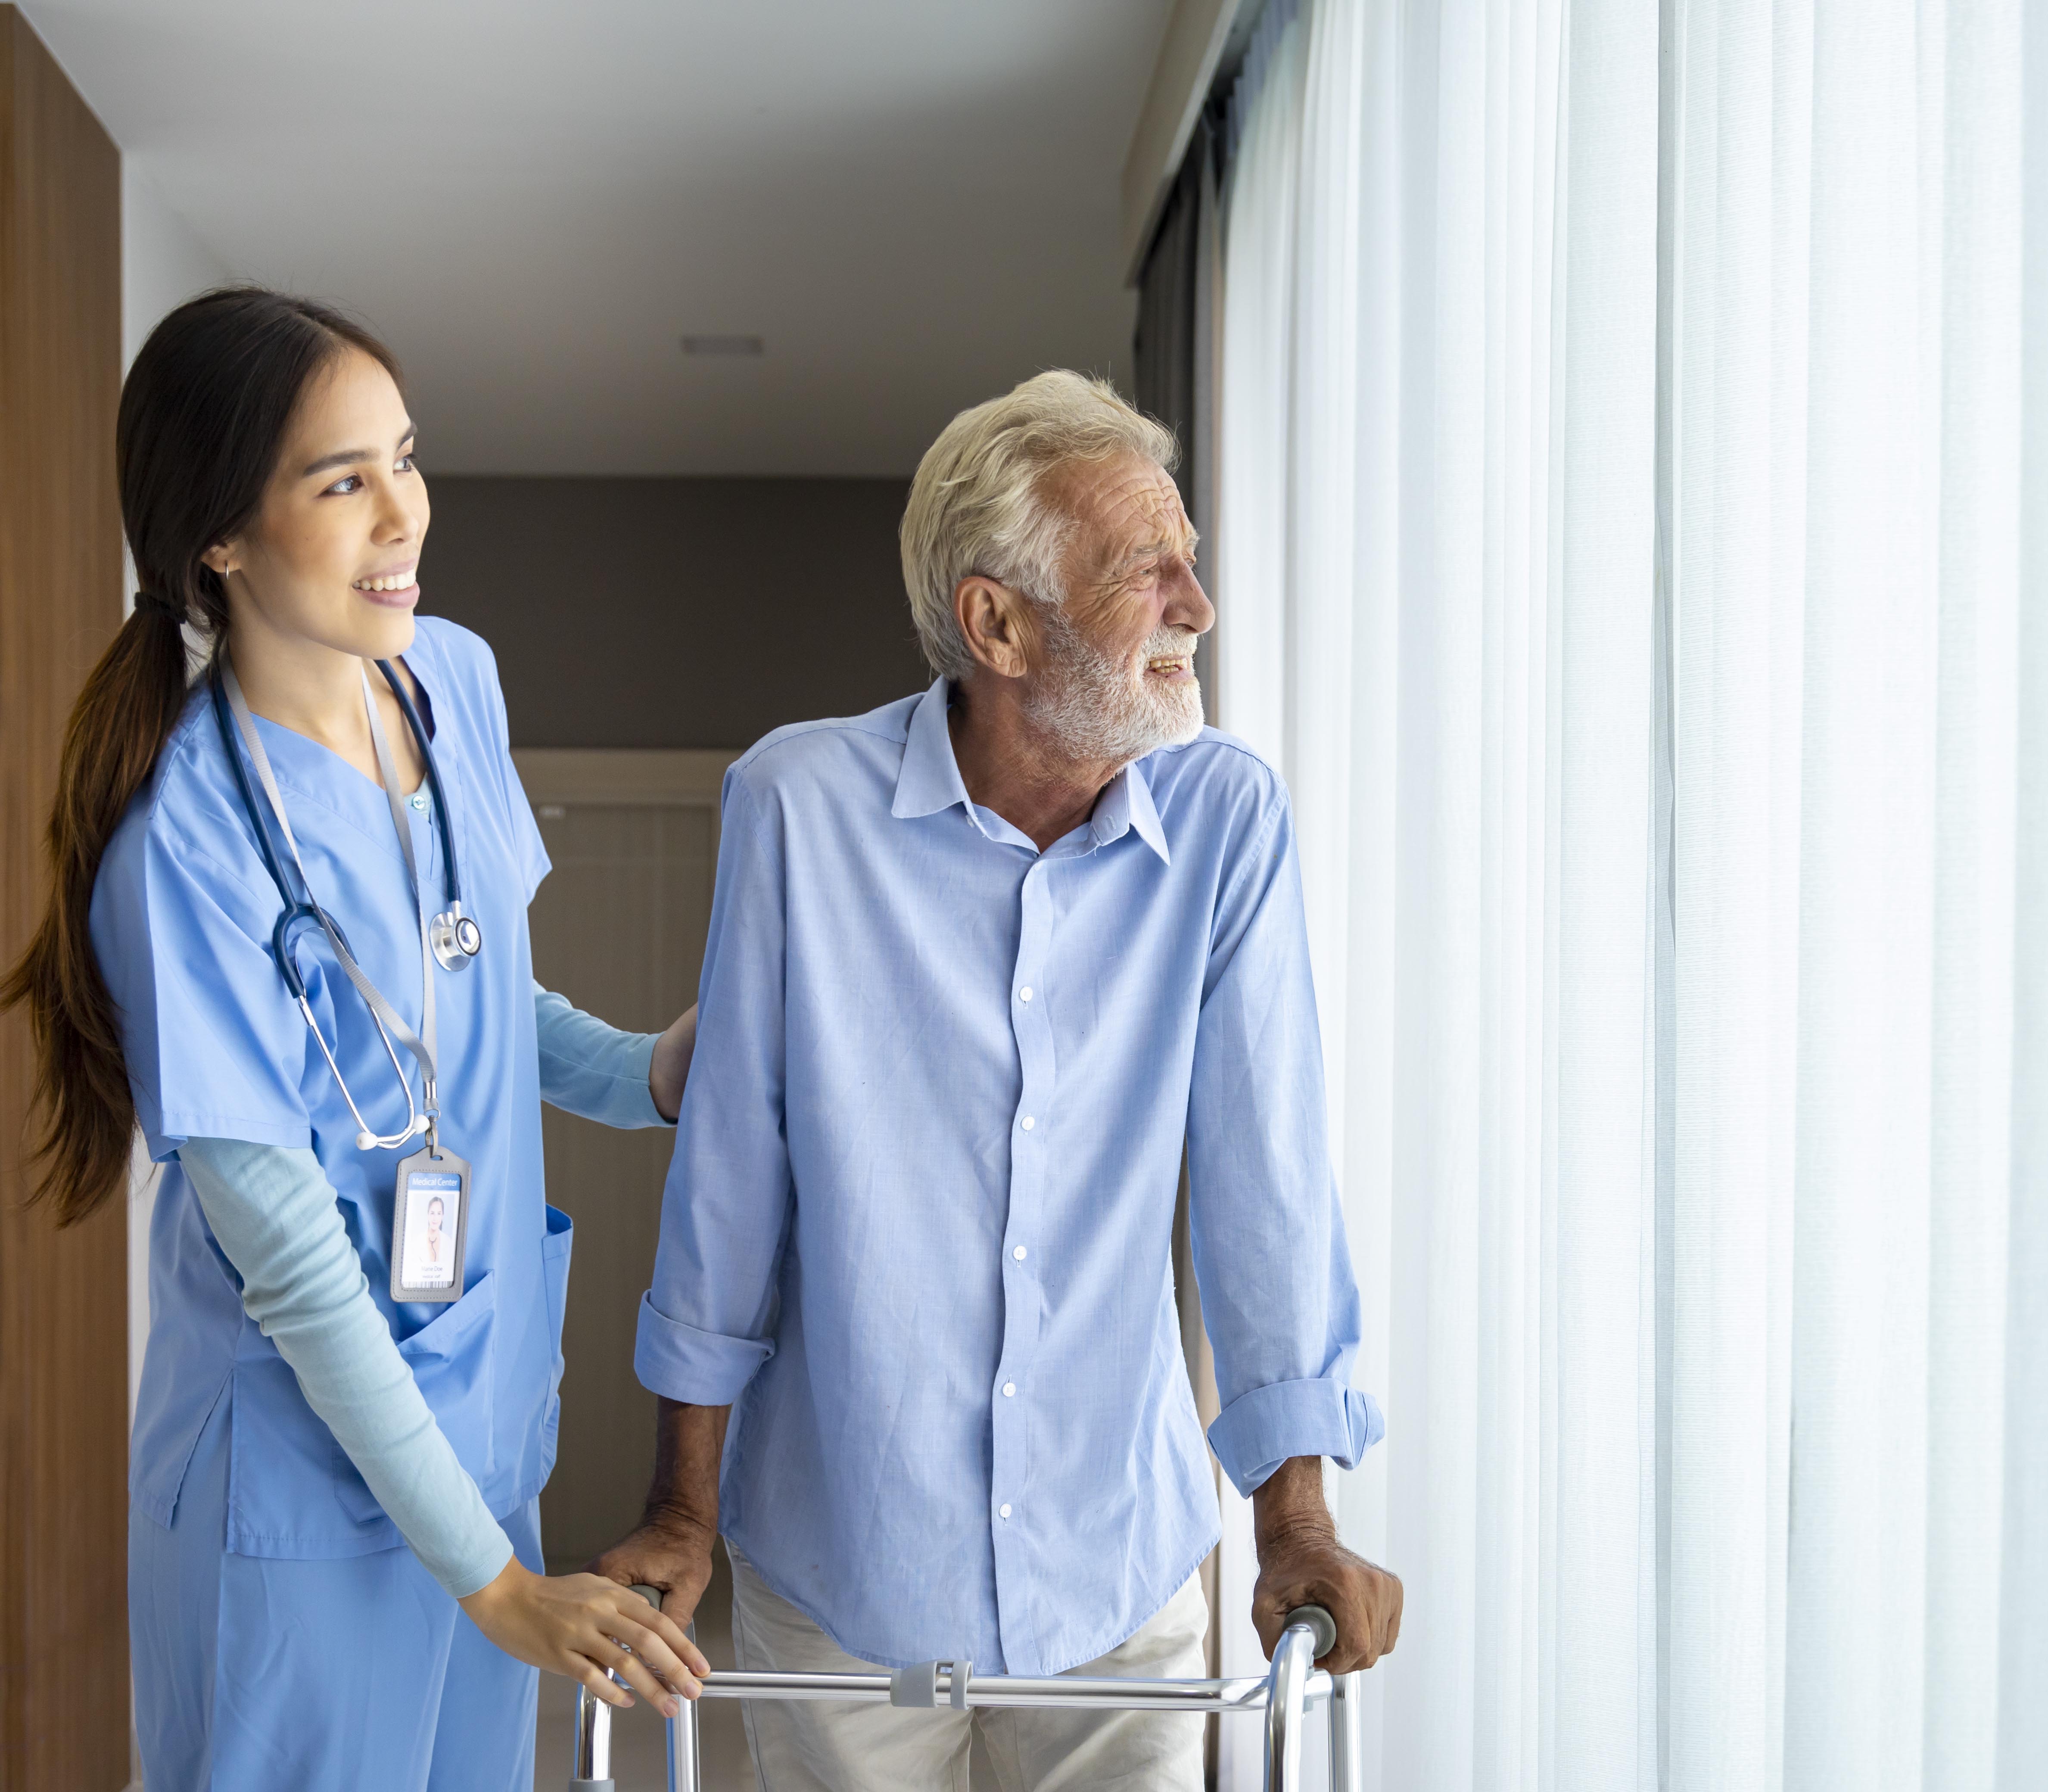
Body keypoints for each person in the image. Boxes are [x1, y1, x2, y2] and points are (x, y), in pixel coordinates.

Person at [592, 371, 1402, 1790]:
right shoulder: (796, 808)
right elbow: (731, 1180)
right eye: (1148, 574)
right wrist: (682, 1509)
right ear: (997, 623)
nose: (1196, 610)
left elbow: (1267, 1183)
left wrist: (1295, 1523)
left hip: (1121, 1569)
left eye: (1190, 565)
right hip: (845, 1568)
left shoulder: (1227, 823)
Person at [0, 287, 713, 1792]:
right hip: (303, 1508)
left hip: (480, 1448)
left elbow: (470, 1003)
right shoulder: (182, 848)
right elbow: (300, 1270)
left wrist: (652, 1074)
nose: (406, 514)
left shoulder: (448, 680)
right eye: (343, 481)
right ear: (221, 535)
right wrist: (499, 1588)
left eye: (407, 456)